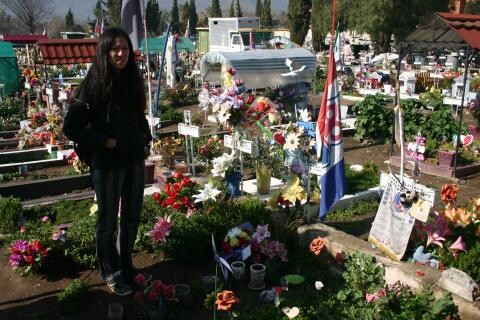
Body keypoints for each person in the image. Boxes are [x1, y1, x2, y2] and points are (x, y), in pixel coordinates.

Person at [63, 27, 152, 296]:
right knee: (108, 223)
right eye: (115, 49)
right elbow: (72, 125)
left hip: (134, 158)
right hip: (109, 163)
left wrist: (144, 135)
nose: (121, 53)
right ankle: (110, 270)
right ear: (105, 51)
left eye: (124, 48)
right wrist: (105, 141)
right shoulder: (94, 83)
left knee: (132, 218)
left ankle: (126, 264)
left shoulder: (131, 79)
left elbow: (138, 114)